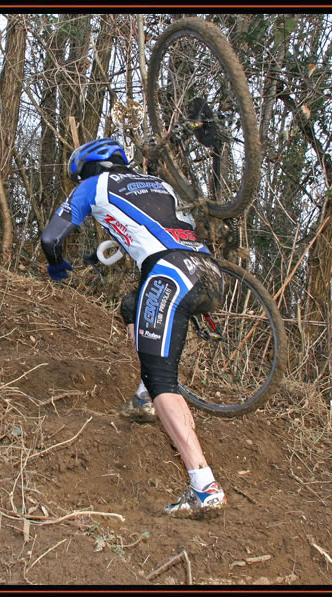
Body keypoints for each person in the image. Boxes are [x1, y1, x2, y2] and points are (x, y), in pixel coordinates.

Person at [40, 137, 227, 518]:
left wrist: (57, 265)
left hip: (170, 277)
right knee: (131, 305)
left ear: (86, 168)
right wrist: (101, 254)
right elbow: (148, 229)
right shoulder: (158, 184)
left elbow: (50, 238)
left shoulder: (91, 187)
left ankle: (204, 486)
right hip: (210, 274)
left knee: (164, 383)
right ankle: (142, 396)